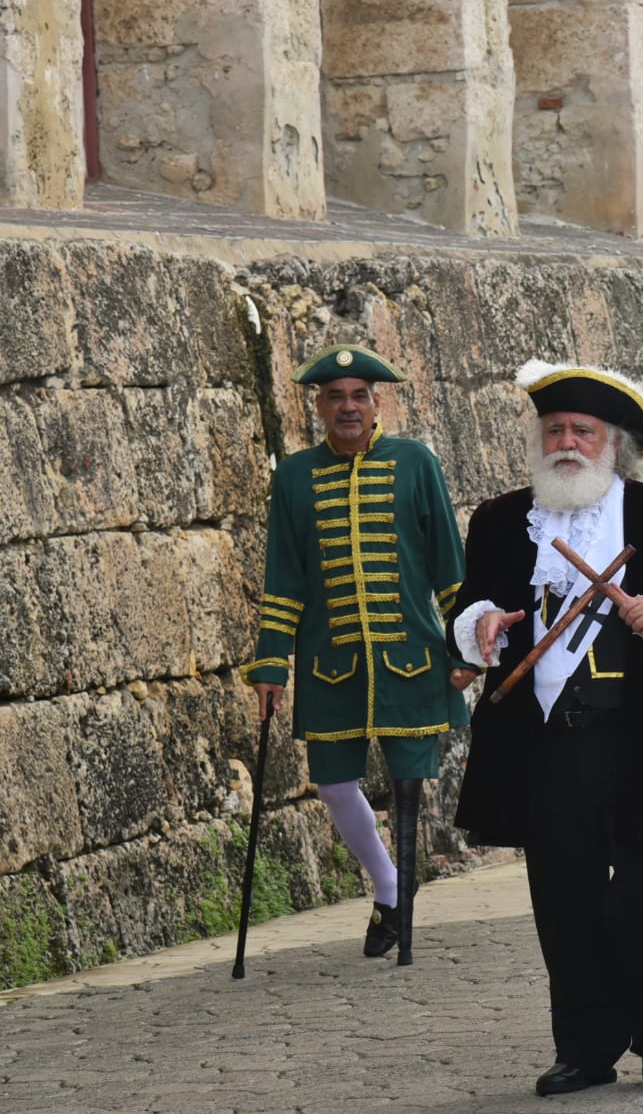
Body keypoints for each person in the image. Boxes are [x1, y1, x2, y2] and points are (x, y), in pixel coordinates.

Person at [447, 360, 643, 1095]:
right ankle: (586, 1046)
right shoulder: (505, 521)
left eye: (583, 430)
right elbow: (473, 605)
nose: (566, 441)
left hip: (639, 738)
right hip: (549, 741)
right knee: (564, 896)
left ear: (615, 444)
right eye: (554, 429)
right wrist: (481, 625)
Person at [241, 344, 466, 967]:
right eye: (335, 396)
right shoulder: (293, 477)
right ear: (317, 406)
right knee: (334, 783)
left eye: (358, 396)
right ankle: (392, 889)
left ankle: (400, 909)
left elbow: (451, 569)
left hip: (411, 659)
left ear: (376, 403)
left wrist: (469, 643)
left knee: (409, 783)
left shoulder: (416, 463)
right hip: (329, 664)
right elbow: (284, 579)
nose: (347, 406)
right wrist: (269, 664)